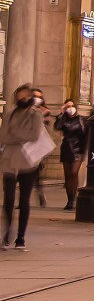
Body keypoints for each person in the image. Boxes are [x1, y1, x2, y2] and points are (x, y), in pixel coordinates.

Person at [0, 85, 47, 250]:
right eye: (20, 96)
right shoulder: (10, 113)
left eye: (26, 96)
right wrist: (19, 135)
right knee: (8, 200)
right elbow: (3, 136)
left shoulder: (36, 114)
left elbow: (34, 135)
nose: (23, 99)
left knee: (24, 200)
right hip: (9, 161)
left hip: (29, 162)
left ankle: (21, 237)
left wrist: (15, 132)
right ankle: (7, 233)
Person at [55, 98, 87, 211]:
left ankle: (73, 198)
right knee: (68, 176)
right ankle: (70, 200)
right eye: (67, 106)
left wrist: (85, 151)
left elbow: (85, 134)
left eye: (71, 106)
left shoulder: (81, 119)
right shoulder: (63, 120)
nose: (70, 108)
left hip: (78, 149)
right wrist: (61, 112)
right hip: (66, 148)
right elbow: (57, 127)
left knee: (74, 173)